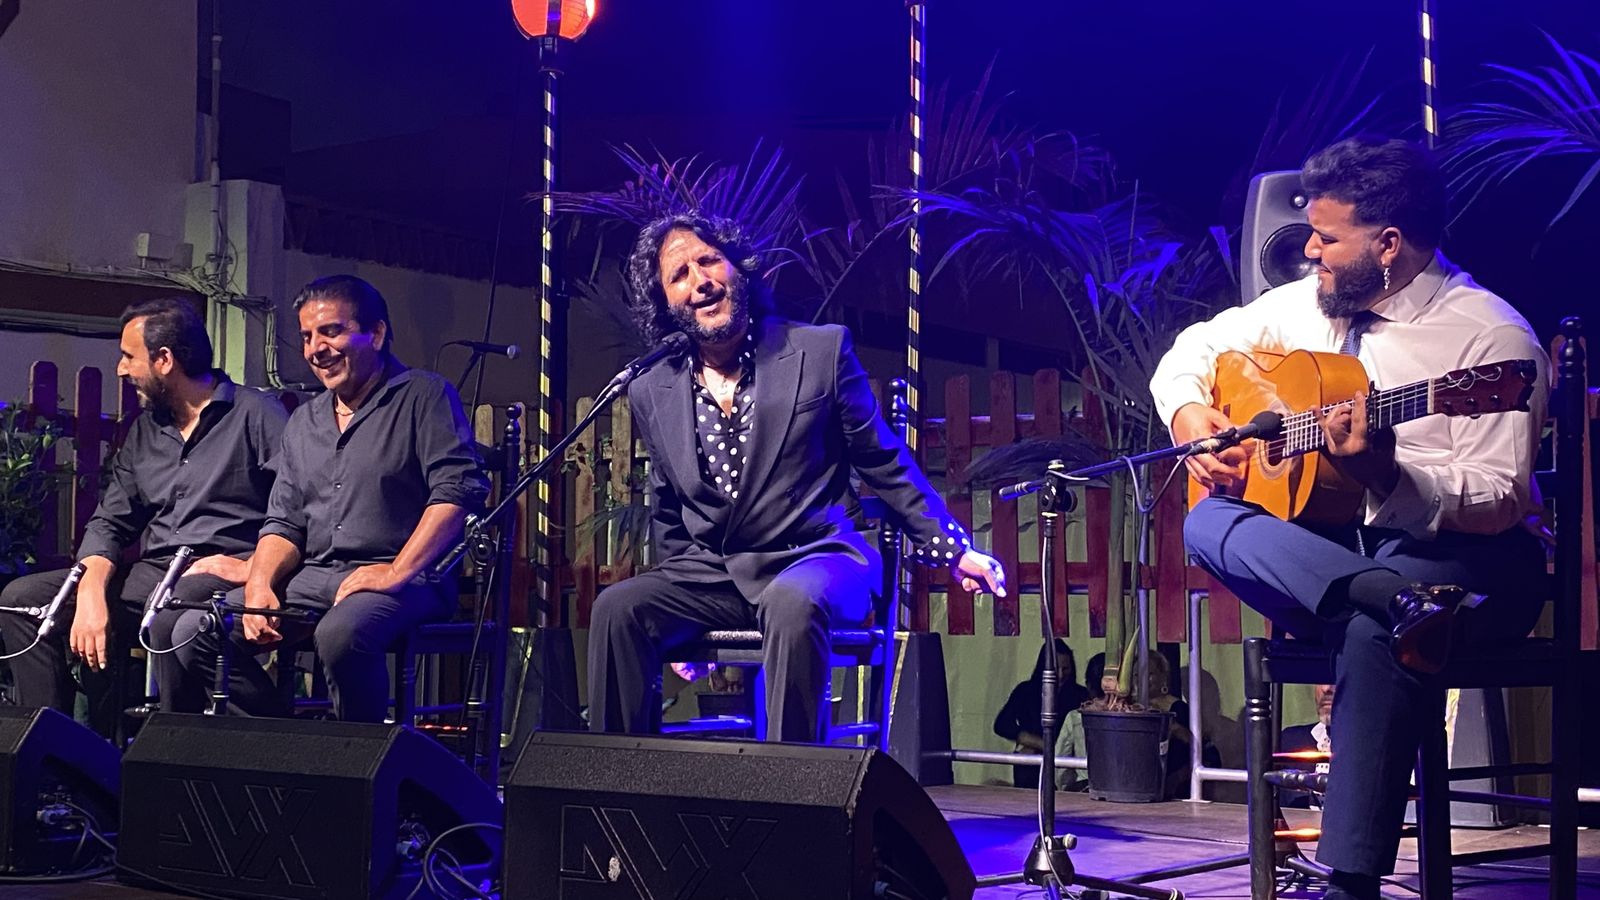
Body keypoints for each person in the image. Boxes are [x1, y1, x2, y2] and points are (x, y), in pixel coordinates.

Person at [1151, 136, 1548, 899]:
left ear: (1389, 245)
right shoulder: (1307, 305)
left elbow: (1497, 497)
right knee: (1206, 523)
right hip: (1352, 556)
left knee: (1380, 630)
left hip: (1470, 562)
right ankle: (1388, 597)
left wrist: (1384, 471)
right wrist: (1191, 412)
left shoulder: (1492, 339)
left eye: (1328, 238)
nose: (1310, 250)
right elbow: (1193, 348)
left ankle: (1350, 882)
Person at [587, 213, 1007, 743]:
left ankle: (795, 800)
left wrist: (954, 550)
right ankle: (613, 798)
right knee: (617, 608)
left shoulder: (819, 351)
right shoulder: (651, 388)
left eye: (710, 260)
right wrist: (681, 617)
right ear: (665, 302)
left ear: (737, 268)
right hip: (716, 574)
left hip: (819, 559)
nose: (701, 281)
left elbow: (884, 461)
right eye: (679, 275)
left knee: (791, 601)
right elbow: (669, 508)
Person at [166, 275, 489, 721]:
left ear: (375, 334)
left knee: (341, 634)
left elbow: (455, 492)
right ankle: (283, 747)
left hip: (409, 578)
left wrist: (394, 572)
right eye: (307, 336)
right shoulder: (305, 421)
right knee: (194, 630)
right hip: (317, 576)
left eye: (332, 331)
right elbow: (283, 522)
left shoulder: (423, 395)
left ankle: (359, 767)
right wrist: (259, 585)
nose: (317, 348)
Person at [0, 298, 287, 729]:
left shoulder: (256, 415)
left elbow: (296, 507)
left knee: (176, 606)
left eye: (129, 357)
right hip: (153, 575)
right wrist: (91, 590)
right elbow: (111, 520)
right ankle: (52, 753)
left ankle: (174, 750)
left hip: (216, 575)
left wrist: (252, 567)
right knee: (22, 601)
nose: (120, 369)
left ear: (165, 360)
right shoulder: (146, 430)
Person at [992, 639, 1090, 788]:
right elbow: (1002, 724)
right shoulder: (1026, 691)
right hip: (1031, 764)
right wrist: (1034, 741)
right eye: (1056, 669)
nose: (1061, 675)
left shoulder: (1080, 695)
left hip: (1065, 765)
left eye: (1066, 669)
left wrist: (1054, 748)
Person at [1279, 683, 1335, 809]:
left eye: (1335, 679)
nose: (1325, 688)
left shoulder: (1376, 751)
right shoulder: (1290, 742)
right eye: (1320, 678)